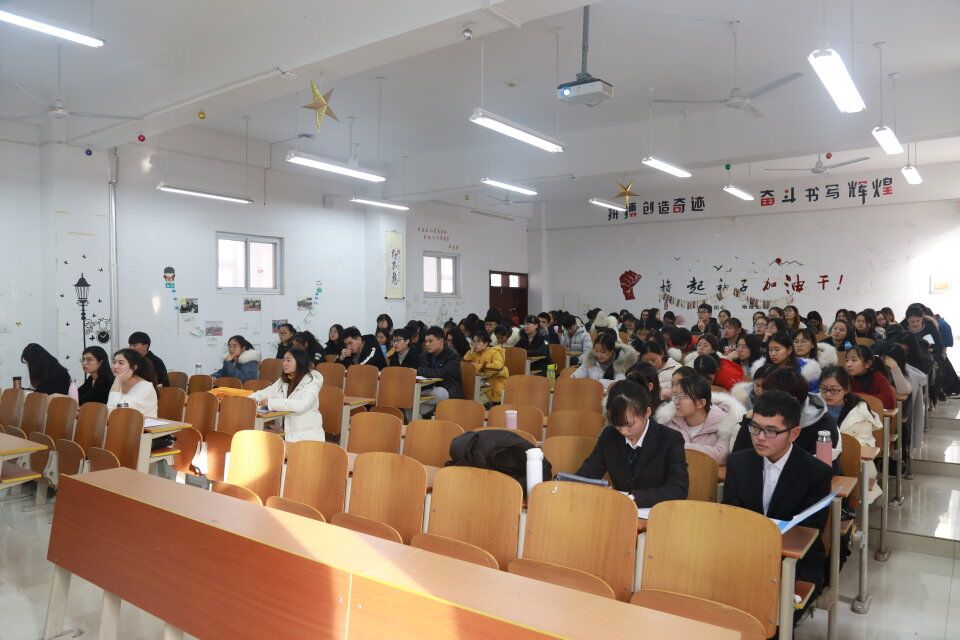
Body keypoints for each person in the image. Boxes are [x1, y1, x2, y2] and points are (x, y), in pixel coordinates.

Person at [722, 390, 832, 622]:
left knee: (768, 614)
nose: (760, 437)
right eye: (755, 428)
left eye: (771, 431)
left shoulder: (816, 473)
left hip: (795, 561)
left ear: (794, 433)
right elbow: (730, 516)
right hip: (745, 554)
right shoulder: (739, 463)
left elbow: (809, 530)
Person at [576, 380, 688, 507]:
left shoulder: (670, 439)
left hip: (657, 512)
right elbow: (588, 474)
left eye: (629, 424)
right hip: (620, 512)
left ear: (647, 412)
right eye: (617, 425)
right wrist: (565, 484)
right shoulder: (609, 436)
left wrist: (632, 498)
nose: (623, 431)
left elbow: (678, 489)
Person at [733, 368, 839, 457]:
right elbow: (738, 458)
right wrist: (748, 420)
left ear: (792, 402)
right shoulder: (760, 417)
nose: (765, 401)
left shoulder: (824, 427)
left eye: (772, 398)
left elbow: (818, 468)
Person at [819, 366, 882, 503]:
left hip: (850, 465)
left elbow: (866, 442)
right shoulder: (814, 407)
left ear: (846, 389)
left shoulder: (860, 412)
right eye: (823, 389)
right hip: (818, 463)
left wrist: (838, 450)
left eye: (834, 390)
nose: (828, 394)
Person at [655, 372, 743, 465]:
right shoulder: (670, 418)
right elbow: (659, 447)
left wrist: (678, 446)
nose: (676, 402)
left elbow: (721, 456)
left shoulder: (725, 423)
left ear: (700, 403)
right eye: (675, 396)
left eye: (682, 397)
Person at [249, 349, 324, 442]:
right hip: (286, 433)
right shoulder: (286, 378)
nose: (284, 363)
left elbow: (302, 405)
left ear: (300, 362)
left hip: (305, 437)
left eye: (288, 360)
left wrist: (271, 403)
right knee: (257, 436)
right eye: (284, 360)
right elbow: (268, 392)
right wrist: (249, 399)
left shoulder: (312, 381)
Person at [750, 331, 822, 392]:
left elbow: (814, 394)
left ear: (789, 350)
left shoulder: (805, 370)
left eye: (777, 349)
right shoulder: (762, 369)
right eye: (770, 350)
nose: (773, 354)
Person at [416, 326, 463, 417]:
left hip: (449, 390)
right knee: (411, 407)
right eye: (426, 341)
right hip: (429, 389)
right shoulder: (425, 354)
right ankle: (419, 426)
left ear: (441, 341)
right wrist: (423, 371)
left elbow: (441, 374)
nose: (427, 344)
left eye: (430, 341)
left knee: (417, 397)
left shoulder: (452, 355)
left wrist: (420, 371)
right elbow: (424, 373)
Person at [572, 331, 638, 391]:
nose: (599, 355)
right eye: (596, 351)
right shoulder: (591, 359)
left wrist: (597, 382)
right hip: (591, 395)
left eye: (603, 352)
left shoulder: (620, 362)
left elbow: (620, 383)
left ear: (612, 351)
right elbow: (575, 378)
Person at [107, 348, 158, 417]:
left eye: (121, 363)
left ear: (134, 367)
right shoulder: (119, 382)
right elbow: (111, 411)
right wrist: (117, 381)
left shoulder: (145, 387)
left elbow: (114, 412)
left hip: (144, 423)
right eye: (114, 362)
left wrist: (117, 381)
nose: (115, 366)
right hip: (123, 422)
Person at [844, 345, 895, 409]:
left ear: (867, 364)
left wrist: (856, 397)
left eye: (854, 360)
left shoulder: (878, 377)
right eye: (847, 360)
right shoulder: (844, 378)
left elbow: (889, 402)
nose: (848, 365)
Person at [463, 331, 507, 403]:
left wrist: (476, 366)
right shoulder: (473, 353)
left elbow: (498, 366)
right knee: (465, 396)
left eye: (478, 341)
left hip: (492, 387)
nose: (475, 344)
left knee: (473, 401)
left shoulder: (494, 353)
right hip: (477, 384)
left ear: (486, 343)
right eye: (473, 341)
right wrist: (471, 352)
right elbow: (465, 364)